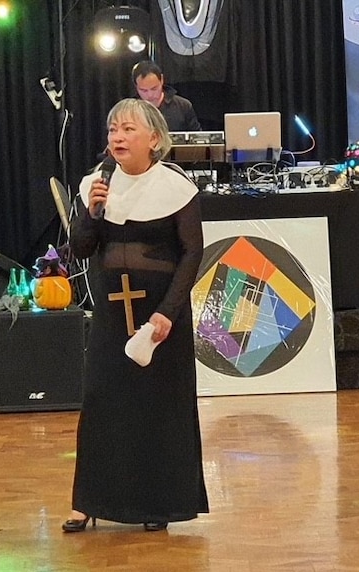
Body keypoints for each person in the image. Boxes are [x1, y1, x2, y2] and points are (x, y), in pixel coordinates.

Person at [63, 98, 208, 533]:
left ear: (154, 139)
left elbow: (191, 252)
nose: (118, 138)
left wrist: (168, 313)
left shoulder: (176, 186)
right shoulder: (96, 184)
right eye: (112, 131)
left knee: (159, 407)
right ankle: (88, 501)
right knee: (103, 403)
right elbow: (81, 248)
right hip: (112, 313)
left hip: (161, 315)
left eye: (127, 129)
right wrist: (91, 213)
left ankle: (156, 504)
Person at [132, 60, 202, 132]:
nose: (150, 95)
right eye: (143, 90)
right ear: (136, 86)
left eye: (154, 89)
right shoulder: (129, 110)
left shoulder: (183, 106)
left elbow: (197, 138)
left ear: (161, 80)